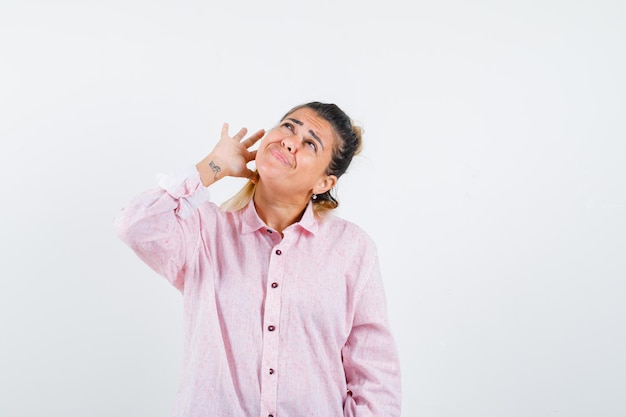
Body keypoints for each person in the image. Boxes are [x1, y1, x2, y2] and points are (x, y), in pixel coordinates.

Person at [113, 101, 402, 417]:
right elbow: (135, 226)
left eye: (310, 143)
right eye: (288, 126)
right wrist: (212, 166)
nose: (290, 141)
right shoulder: (205, 231)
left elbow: (376, 380)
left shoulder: (351, 249)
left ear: (323, 183)